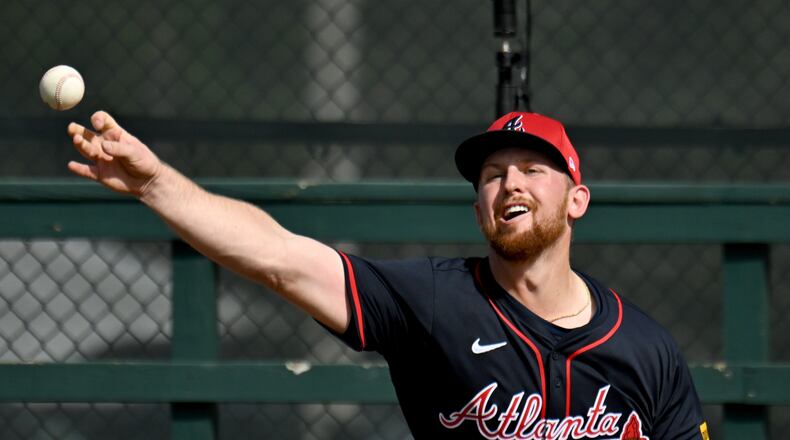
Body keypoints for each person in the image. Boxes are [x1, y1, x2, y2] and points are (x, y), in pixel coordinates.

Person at [67, 110, 708, 439]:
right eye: (491, 175)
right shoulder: (433, 300)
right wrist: (156, 185)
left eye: (532, 168)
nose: (509, 181)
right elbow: (279, 257)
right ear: (479, 204)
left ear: (577, 199)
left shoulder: (643, 349)